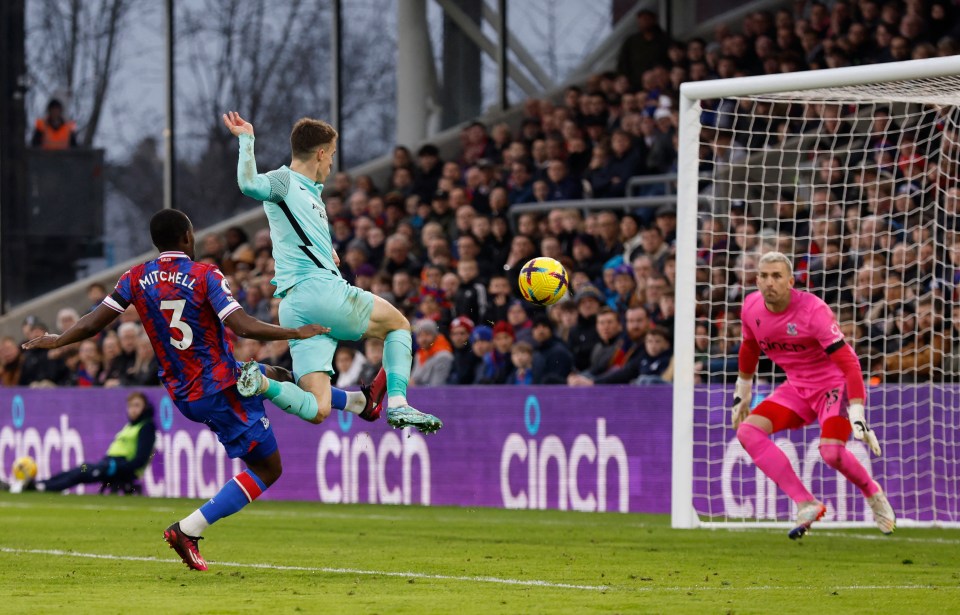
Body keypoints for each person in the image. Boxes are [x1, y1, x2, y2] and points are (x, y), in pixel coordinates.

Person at [21, 209, 373, 572]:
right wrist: (294, 332)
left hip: (186, 390)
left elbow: (94, 321)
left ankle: (360, 402)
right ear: (188, 237)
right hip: (219, 388)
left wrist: (59, 339)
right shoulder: (204, 275)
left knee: (275, 373)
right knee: (268, 468)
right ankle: (188, 529)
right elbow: (243, 326)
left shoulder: (135, 277)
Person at [222, 111, 442, 434]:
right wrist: (247, 140)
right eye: (332, 156)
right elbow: (248, 183)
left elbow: (298, 237)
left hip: (294, 308)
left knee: (318, 407)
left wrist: (329, 253)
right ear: (321, 153)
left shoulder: (312, 195)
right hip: (321, 292)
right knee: (399, 326)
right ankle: (398, 404)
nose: (331, 165)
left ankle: (263, 384)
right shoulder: (285, 181)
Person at [731, 251, 895, 539]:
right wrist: (743, 389)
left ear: (791, 281)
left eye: (777, 276)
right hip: (796, 387)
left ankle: (873, 492)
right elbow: (749, 347)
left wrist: (857, 410)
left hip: (833, 386)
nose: (770, 282)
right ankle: (806, 502)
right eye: (765, 276)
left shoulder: (812, 311)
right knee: (748, 432)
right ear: (756, 280)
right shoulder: (751, 307)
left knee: (831, 453)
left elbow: (849, 362)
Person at [5, 392, 156, 494]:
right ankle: (40, 483)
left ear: (145, 407)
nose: (133, 410)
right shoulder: (131, 426)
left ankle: (41, 487)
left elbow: (140, 461)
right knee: (80, 468)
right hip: (109, 464)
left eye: (137, 405)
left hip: (119, 468)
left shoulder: (146, 427)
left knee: (82, 472)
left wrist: (115, 466)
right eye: (130, 406)